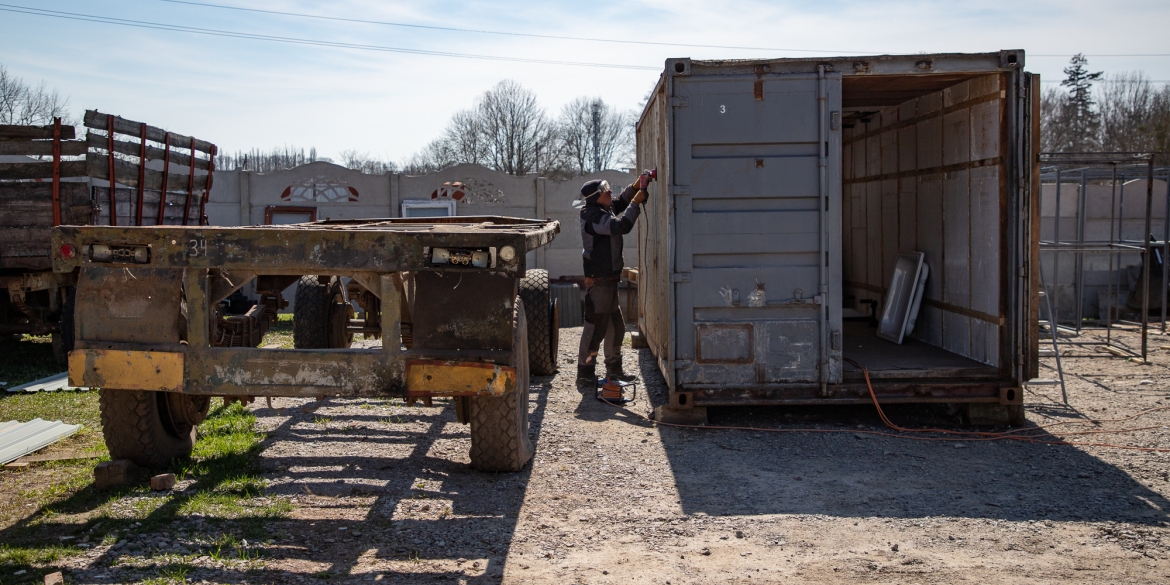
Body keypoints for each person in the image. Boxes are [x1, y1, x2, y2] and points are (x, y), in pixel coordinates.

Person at [575, 172, 651, 389]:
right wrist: (636, 204)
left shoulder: (601, 209)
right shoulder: (593, 217)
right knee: (595, 328)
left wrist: (635, 187)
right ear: (596, 197)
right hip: (599, 281)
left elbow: (619, 202)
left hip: (608, 280)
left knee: (616, 326)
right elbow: (620, 226)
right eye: (605, 190)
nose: (610, 192)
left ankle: (614, 370)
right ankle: (585, 372)